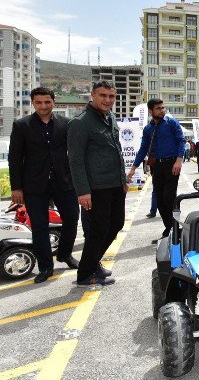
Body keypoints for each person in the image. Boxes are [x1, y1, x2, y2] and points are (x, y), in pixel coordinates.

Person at [8, 87, 80, 284]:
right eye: (39, 102)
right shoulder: (21, 125)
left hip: (63, 181)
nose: (43, 106)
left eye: (47, 102)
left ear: (53, 102)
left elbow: (74, 153)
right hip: (34, 185)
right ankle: (46, 267)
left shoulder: (67, 124)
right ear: (33, 103)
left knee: (72, 218)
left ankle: (64, 254)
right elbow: (14, 159)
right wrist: (16, 188)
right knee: (39, 226)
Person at [67, 81, 125, 286]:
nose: (107, 100)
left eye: (111, 96)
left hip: (115, 183)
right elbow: (75, 159)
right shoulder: (80, 122)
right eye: (103, 95)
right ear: (92, 95)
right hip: (96, 187)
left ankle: (92, 262)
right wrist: (82, 191)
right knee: (98, 229)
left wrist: (122, 179)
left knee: (116, 223)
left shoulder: (110, 118)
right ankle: (85, 274)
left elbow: (115, 150)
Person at [127, 99, 185, 244]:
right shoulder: (148, 129)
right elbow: (143, 149)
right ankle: (170, 229)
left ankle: (174, 230)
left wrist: (179, 160)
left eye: (163, 107)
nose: (162, 110)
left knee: (169, 198)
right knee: (159, 200)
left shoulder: (171, 123)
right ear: (151, 111)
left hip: (172, 165)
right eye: (158, 108)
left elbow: (181, 141)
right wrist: (133, 168)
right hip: (157, 167)